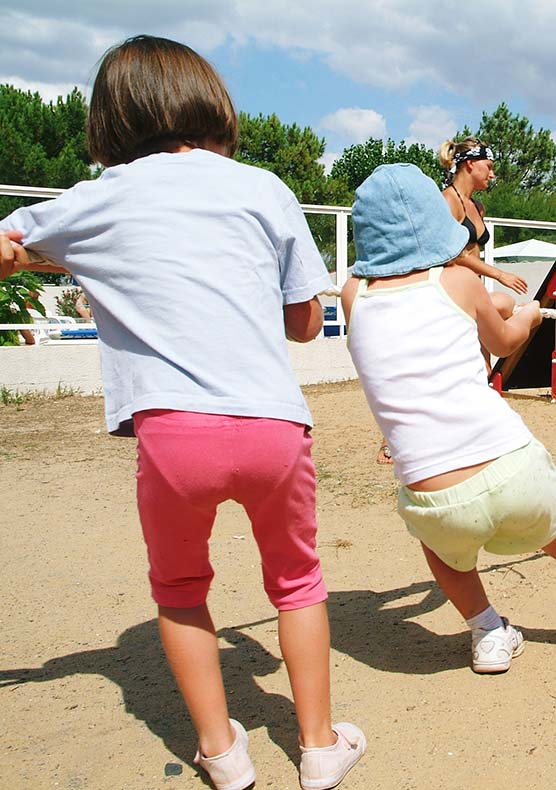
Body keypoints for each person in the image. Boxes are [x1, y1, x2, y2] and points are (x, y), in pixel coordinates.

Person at [0, 36, 364, 790]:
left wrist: (39, 256)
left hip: (172, 433)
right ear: (210, 103)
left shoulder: (98, 196)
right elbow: (304, 324)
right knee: (296, 582)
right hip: (271, 424)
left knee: (179, 589)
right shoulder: (263, 187)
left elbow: (13, 246)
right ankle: (321, 745)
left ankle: (223, 756)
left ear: (113, 117)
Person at [342, 163, 556, 673]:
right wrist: (525, 313)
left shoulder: (356, 293)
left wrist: (493, 301)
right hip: (509, 465)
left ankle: (487, 631)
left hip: (433, 493)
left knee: (442, 552)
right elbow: (504, 342)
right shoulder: (459, 280)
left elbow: (409, 311)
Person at [438, 137, 528, 296]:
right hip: (452, 292)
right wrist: (500, 275)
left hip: (473, 289)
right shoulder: (449, 200)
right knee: (506, 303)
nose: (492, 175)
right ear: (471, 163)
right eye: (489, 167)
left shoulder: (478, 207)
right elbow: (454, 255)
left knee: (510, 304)